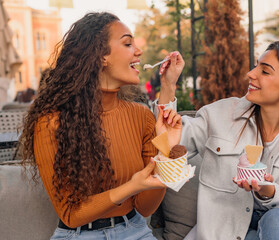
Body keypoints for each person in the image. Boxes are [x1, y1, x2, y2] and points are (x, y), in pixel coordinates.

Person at [18, 12, 182, 240]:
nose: (138, 51)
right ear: (101, 55)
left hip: (135, 230)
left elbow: (145, 208)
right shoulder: (51, 122)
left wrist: (165, 152)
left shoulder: (142, 116)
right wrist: (131, 187)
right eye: (127, 43)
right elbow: (70, 214)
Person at [155, 41, 279, 239]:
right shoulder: (220, 115)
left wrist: (268, 191)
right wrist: (168, 85)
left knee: (276, 221)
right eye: (256, 65)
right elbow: (169, 147)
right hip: (231, 230)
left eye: (265, 71)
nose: (251, 74)